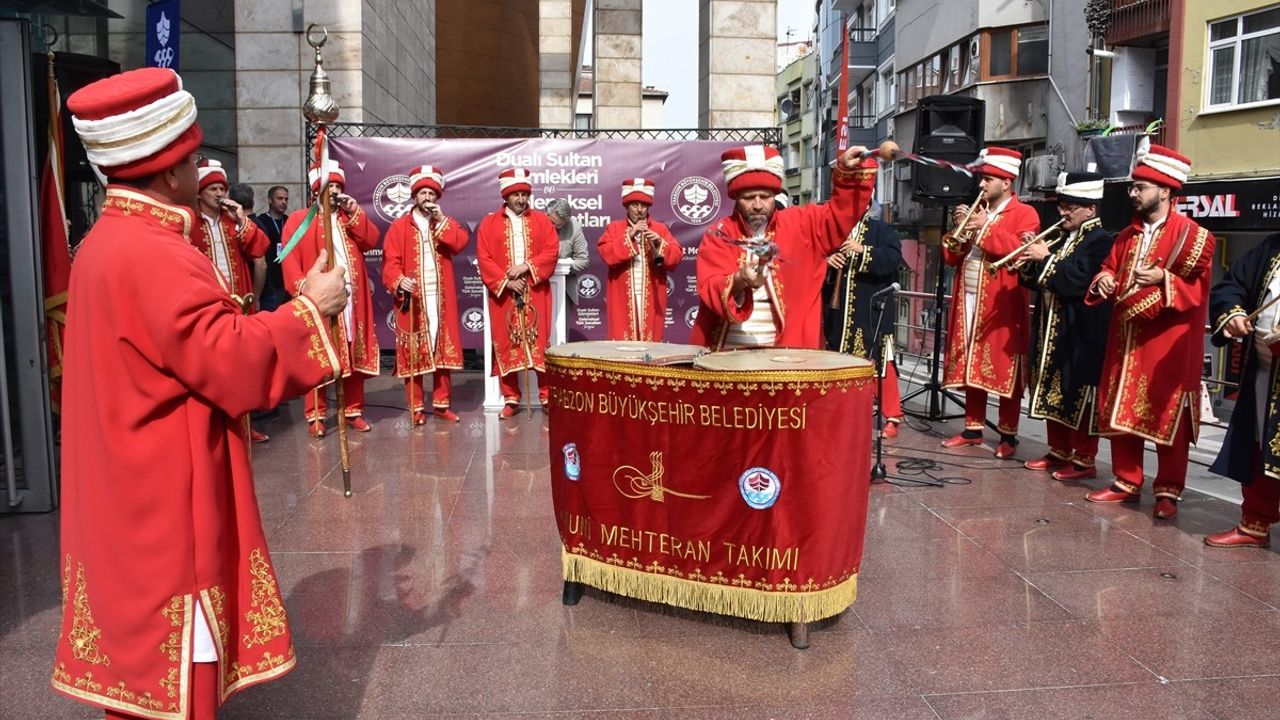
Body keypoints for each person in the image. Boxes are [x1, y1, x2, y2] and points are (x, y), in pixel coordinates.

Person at [52, 66, 349, 720]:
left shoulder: (108, 243)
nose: (199, 169)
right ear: (166, 172)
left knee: (142, 684)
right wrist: (311, 307)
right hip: (166, 505)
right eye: (191, 159)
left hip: (127, 492)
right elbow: (232, 361)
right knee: (178, 675)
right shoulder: (156, 254)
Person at [1084, 145, 1215, 519]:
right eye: (1133, 187)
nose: (1133, 193)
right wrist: (1105, 280)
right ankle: (1127, 480)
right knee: (1122, 406)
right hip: (1125, 337)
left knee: (1166, 415)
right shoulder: (1126, 234)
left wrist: (1163, 278)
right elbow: (1108, 268)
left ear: (1165, 191)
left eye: (1140, 187)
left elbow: (1199, 292)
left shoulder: (1194, 236)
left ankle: (1169, 490)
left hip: (1167, 341)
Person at [690, 144, 877, 349]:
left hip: (788, 353)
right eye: (749, 197)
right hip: (727, 351)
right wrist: (740, 280)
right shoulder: (720, 233)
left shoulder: (803, 223)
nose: (759, 205)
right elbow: (709, 285)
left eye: (766, 196)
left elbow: (841, 214)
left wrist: (849, 173)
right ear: (735, 198)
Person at [938, 147, 1039, 459]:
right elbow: (952, 256)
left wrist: (984, 227)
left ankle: (1008, 435)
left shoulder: (1026, 214)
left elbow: (1020, 253)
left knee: (1004, 366)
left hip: (1001, 303)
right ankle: (972, 428)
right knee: (971, 360)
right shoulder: (978, 210)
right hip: (968, 297)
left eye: (988, 180)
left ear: (1006, 182)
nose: (981, 185)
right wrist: (960, 230)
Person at [1016, 171, 1114, 480]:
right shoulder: (1061, 237)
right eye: (1061, 204)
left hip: (1081, 332)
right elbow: (1037, 281)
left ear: (1090, 209)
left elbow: (1076, 280)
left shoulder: (1101, 240)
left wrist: (1045, 258)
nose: (1063, 212)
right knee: (1050, 388)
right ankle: (1058, 451)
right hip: (1050, 328)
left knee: (1079, 393)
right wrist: (1029, 258)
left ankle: (1084, 459)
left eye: (1070, 206)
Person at [282, 160, 382, 437]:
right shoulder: (299, 219)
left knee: (352, 349)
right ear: (317, 191)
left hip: (352, 296)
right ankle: (316, 413)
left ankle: (353, 410)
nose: (335, 192)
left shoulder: (348, 218)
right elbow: (289, 259)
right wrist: (302, 289)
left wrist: (355, 214)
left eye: (338, 187)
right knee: (318, 351)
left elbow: (371, 240)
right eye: (330, 187)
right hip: (318, 296)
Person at [1205, 231, 1280, 547]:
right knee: (1260, 445)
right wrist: (1232, 313)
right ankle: (1255, 523)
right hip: (1265, 370)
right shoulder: (1272, 247)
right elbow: (1231, 285)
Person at [381, 165, 469, 424]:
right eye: (423, 193)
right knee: (414, 353)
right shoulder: (399, 227)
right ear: (414, 195)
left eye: (432, 194)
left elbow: (460, 243)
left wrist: (442, 219)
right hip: (414, 299)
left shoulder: (444, 222)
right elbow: (390, 261)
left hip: (440, 298)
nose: (428, 198)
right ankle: (416, 408)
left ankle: (442, 406)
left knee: (442, 351)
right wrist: (399, 280)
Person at [476, 168, 561, 417]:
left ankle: (546, 397)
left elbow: (551, 250)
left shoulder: (543, 221)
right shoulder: (488, 223)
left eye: (525, 194)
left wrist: (527, 266)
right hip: (504, 294)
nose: (521, 199)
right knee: (506, 342)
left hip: (535, 290)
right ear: (506, 196)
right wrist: (506, 281)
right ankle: (511, 397)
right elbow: (484, 257)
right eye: (516, 194)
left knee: (539, 343)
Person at [822, 207, 904, 437]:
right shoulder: (832, 230)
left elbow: (892, 258)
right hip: (838, 312)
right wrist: (828, 261)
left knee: (881, 362)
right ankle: (844, 412)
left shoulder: (881, 230)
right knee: (838, 363)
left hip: (871, 310)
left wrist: (862, 250)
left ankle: (893, 415)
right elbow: (813, 257)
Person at [597, 178, 683, 341]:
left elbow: (677, 256)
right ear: (626, 206)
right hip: (621, 294)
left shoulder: (660, 228)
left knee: (650, 337)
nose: (640, 210)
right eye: (634, 205)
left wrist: (660, 243)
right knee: (622, 338)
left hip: (652, 294)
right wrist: (629, 235)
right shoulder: (615, 228)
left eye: (644, 205)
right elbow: (605, 252)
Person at [254, 185, 292, 312]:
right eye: (279, 198)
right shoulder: (261, 221)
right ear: (270, 200)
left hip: (287, 280)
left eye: (286, 199)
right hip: (269, 281)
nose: (283, 202)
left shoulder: (289, 221)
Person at [546, 198, 589, 305]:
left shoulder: (575, 227)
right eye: (552, 223)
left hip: (564, 287)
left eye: (560, 225)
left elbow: (583, 260)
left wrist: (563, 268)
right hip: (538, 286)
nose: (555, 227)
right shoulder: (536, 224)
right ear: (546, 214)